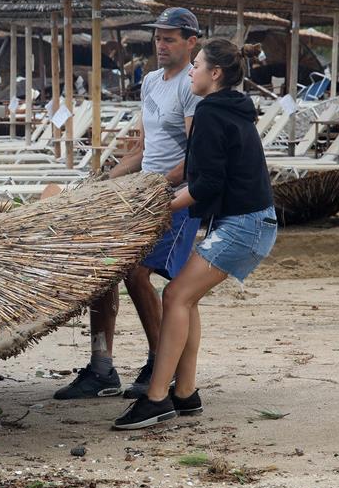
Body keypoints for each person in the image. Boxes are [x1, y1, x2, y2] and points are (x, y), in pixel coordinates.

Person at [114, 39, 277, 429]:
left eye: (197, 65)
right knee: (187, 296)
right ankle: (184, 392)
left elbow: (203, 185)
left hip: (245, 226)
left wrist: (157, 207)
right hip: (245, 221)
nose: (191, 70)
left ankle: (156, 398)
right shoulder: (229, 108)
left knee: (175, 294)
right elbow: (209, 182)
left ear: (214, 74)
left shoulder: (209, 114)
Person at [54, 8, 203, 400]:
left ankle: (161, 364)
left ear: (191, 42)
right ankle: (102, 366)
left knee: (137, 272)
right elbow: (143, 148)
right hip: (142, 191)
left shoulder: (191, 86)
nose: (161, 44)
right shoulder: (152, 82)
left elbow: (197, 157)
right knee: (103, 264)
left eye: (170, 38)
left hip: (177, 198)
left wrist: (158, 185)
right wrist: (105, 182)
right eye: (158, 37)